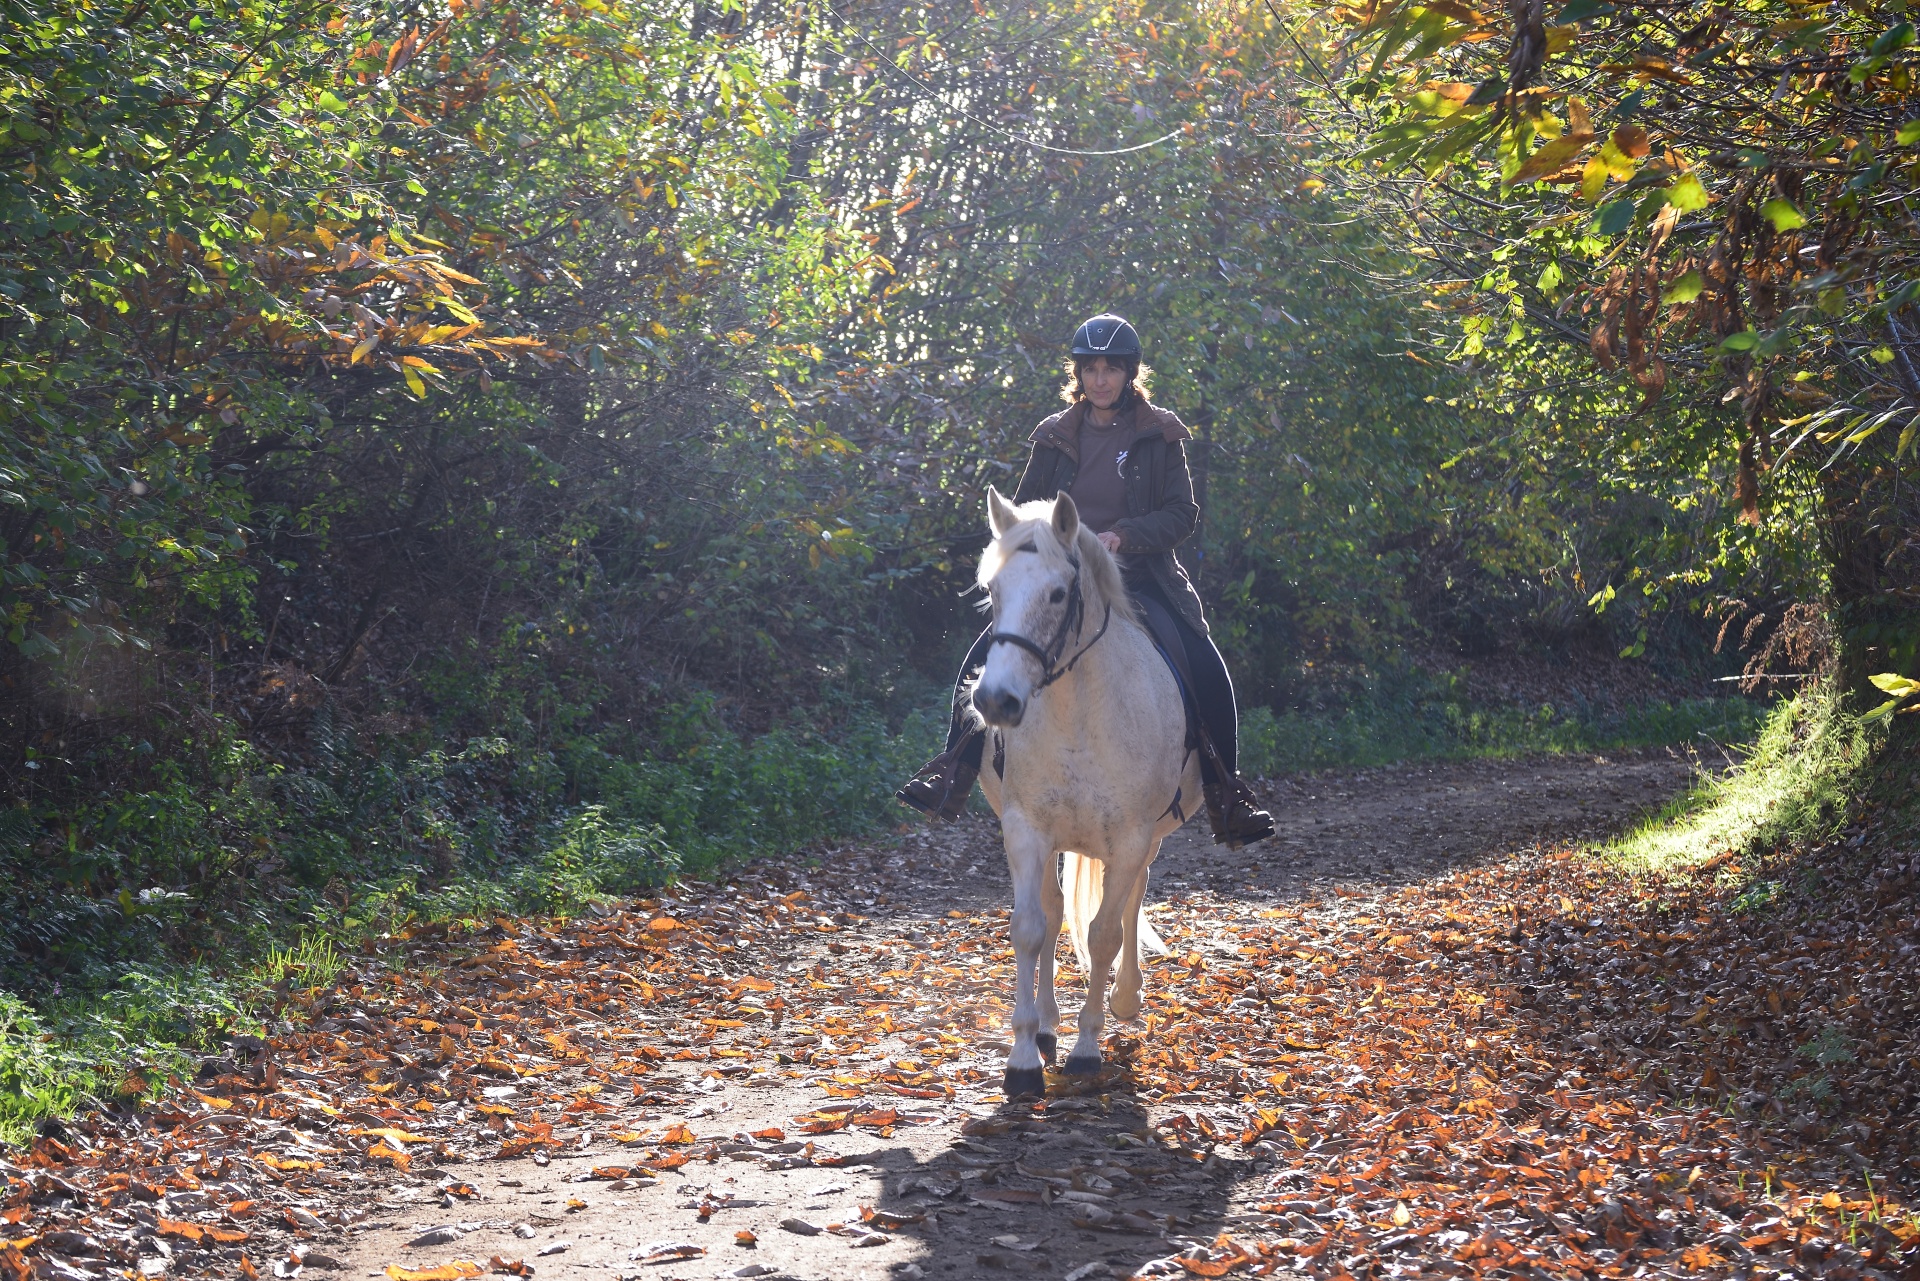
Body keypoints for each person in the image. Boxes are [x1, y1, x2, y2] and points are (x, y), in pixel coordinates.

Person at [896, 313, 1275, 849]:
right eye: (1091, 368)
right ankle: (952, 771)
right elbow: (1027, 509)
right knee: (984, 653)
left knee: (1207, 669)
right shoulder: (1053, 436)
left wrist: (1124, 536)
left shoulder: (1159, 433)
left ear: (1129, 374)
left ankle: (1226, 794)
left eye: (1111, 369)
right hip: (1057, 577)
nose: (1100, 379)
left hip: (1140, 581)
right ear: (1078, 373)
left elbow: (1182, 513)